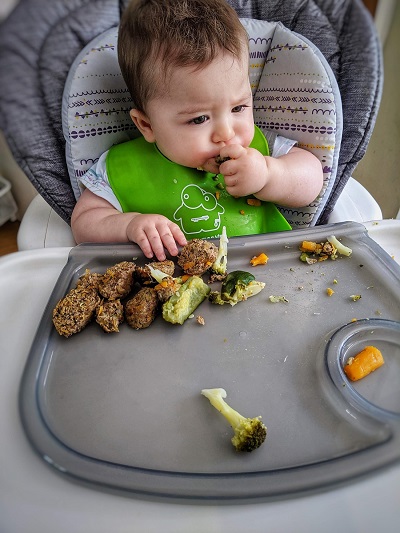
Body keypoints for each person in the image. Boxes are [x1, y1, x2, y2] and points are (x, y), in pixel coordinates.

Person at [71, 0, 323, 261]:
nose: (226, 133)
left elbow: (312, 179)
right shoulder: (120, 167)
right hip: (161, 290)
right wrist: (129, 225)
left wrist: (270, 175)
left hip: (268, 277)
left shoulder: (259, 149)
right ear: (146, 125)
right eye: (199, 119)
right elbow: (84, 223)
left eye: (238, 108)